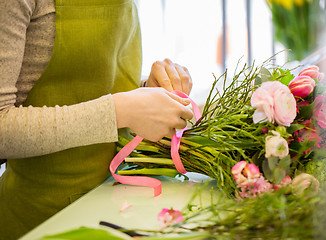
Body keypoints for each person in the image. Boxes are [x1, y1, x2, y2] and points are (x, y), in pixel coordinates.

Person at [0, 0, 194, 239]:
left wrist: (146, 89)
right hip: (40, 218)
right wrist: (118, 112)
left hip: (119, 203)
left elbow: (95, 83)